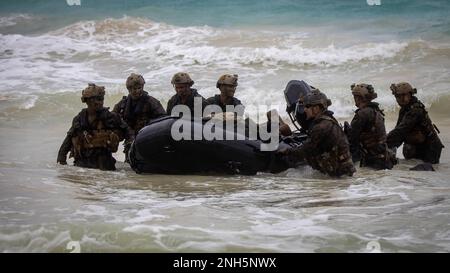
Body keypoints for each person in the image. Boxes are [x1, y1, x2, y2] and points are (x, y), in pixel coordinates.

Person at [57, 83, 134, 170]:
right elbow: (68, 139)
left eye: (101, 99)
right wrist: (61, 160)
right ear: (88, 101)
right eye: (97, 99)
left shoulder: (110, 117)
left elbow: (128, 131)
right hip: (82, 165)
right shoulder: (79, 119)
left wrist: (130, 146)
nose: (100, 102)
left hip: (104, 165)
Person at [279, 89, 355, 177]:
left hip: (338, 175)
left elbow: (306, 150)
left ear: (316, 108)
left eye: (307, 106)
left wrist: (287, 152)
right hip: (343, 171)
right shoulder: (329, 120)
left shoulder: (321, 127)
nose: (305, 110)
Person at [387, 82, 444, 164]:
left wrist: (383, 141)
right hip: (419, 146)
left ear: (410, 95)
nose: (400, 99)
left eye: (403, 95)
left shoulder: (416, 110)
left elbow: (401, 131)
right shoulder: (404, 109)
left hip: (430, 148)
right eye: (397, 96)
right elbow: (398, 133)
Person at [346, 83, 396, 170]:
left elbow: (352, 137)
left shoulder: (363, 113)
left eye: (355, 97)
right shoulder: (376, 111)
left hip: (372, 160)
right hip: (383, 157)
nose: (355, 99)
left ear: (359, 97)